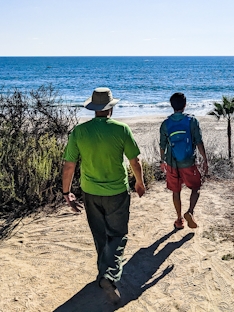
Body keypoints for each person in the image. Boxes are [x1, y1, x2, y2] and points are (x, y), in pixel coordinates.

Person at [62, 87, 145, 304]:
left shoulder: (79, 132)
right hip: (117, 191)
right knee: (118, 235)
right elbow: (135, 161)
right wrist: (139, 182)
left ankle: (103, 273)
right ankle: (109, 276)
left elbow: (69, 165)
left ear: (93, 108)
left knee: (100, 235)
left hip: (90, 192)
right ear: (110, 108)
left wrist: (67, 192)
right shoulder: (121, 129)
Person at [160, 92, 208, 230]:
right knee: (196, 187)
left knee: (176, 191)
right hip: (188, 161)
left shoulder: (166, 123)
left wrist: (162, 161)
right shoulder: (192, 121)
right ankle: (190, 212)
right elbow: (199, 141)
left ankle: (179, 220)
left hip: (171, 162)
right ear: (185, 104)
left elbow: (162, 145)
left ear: (171, 105)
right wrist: (205, 159)